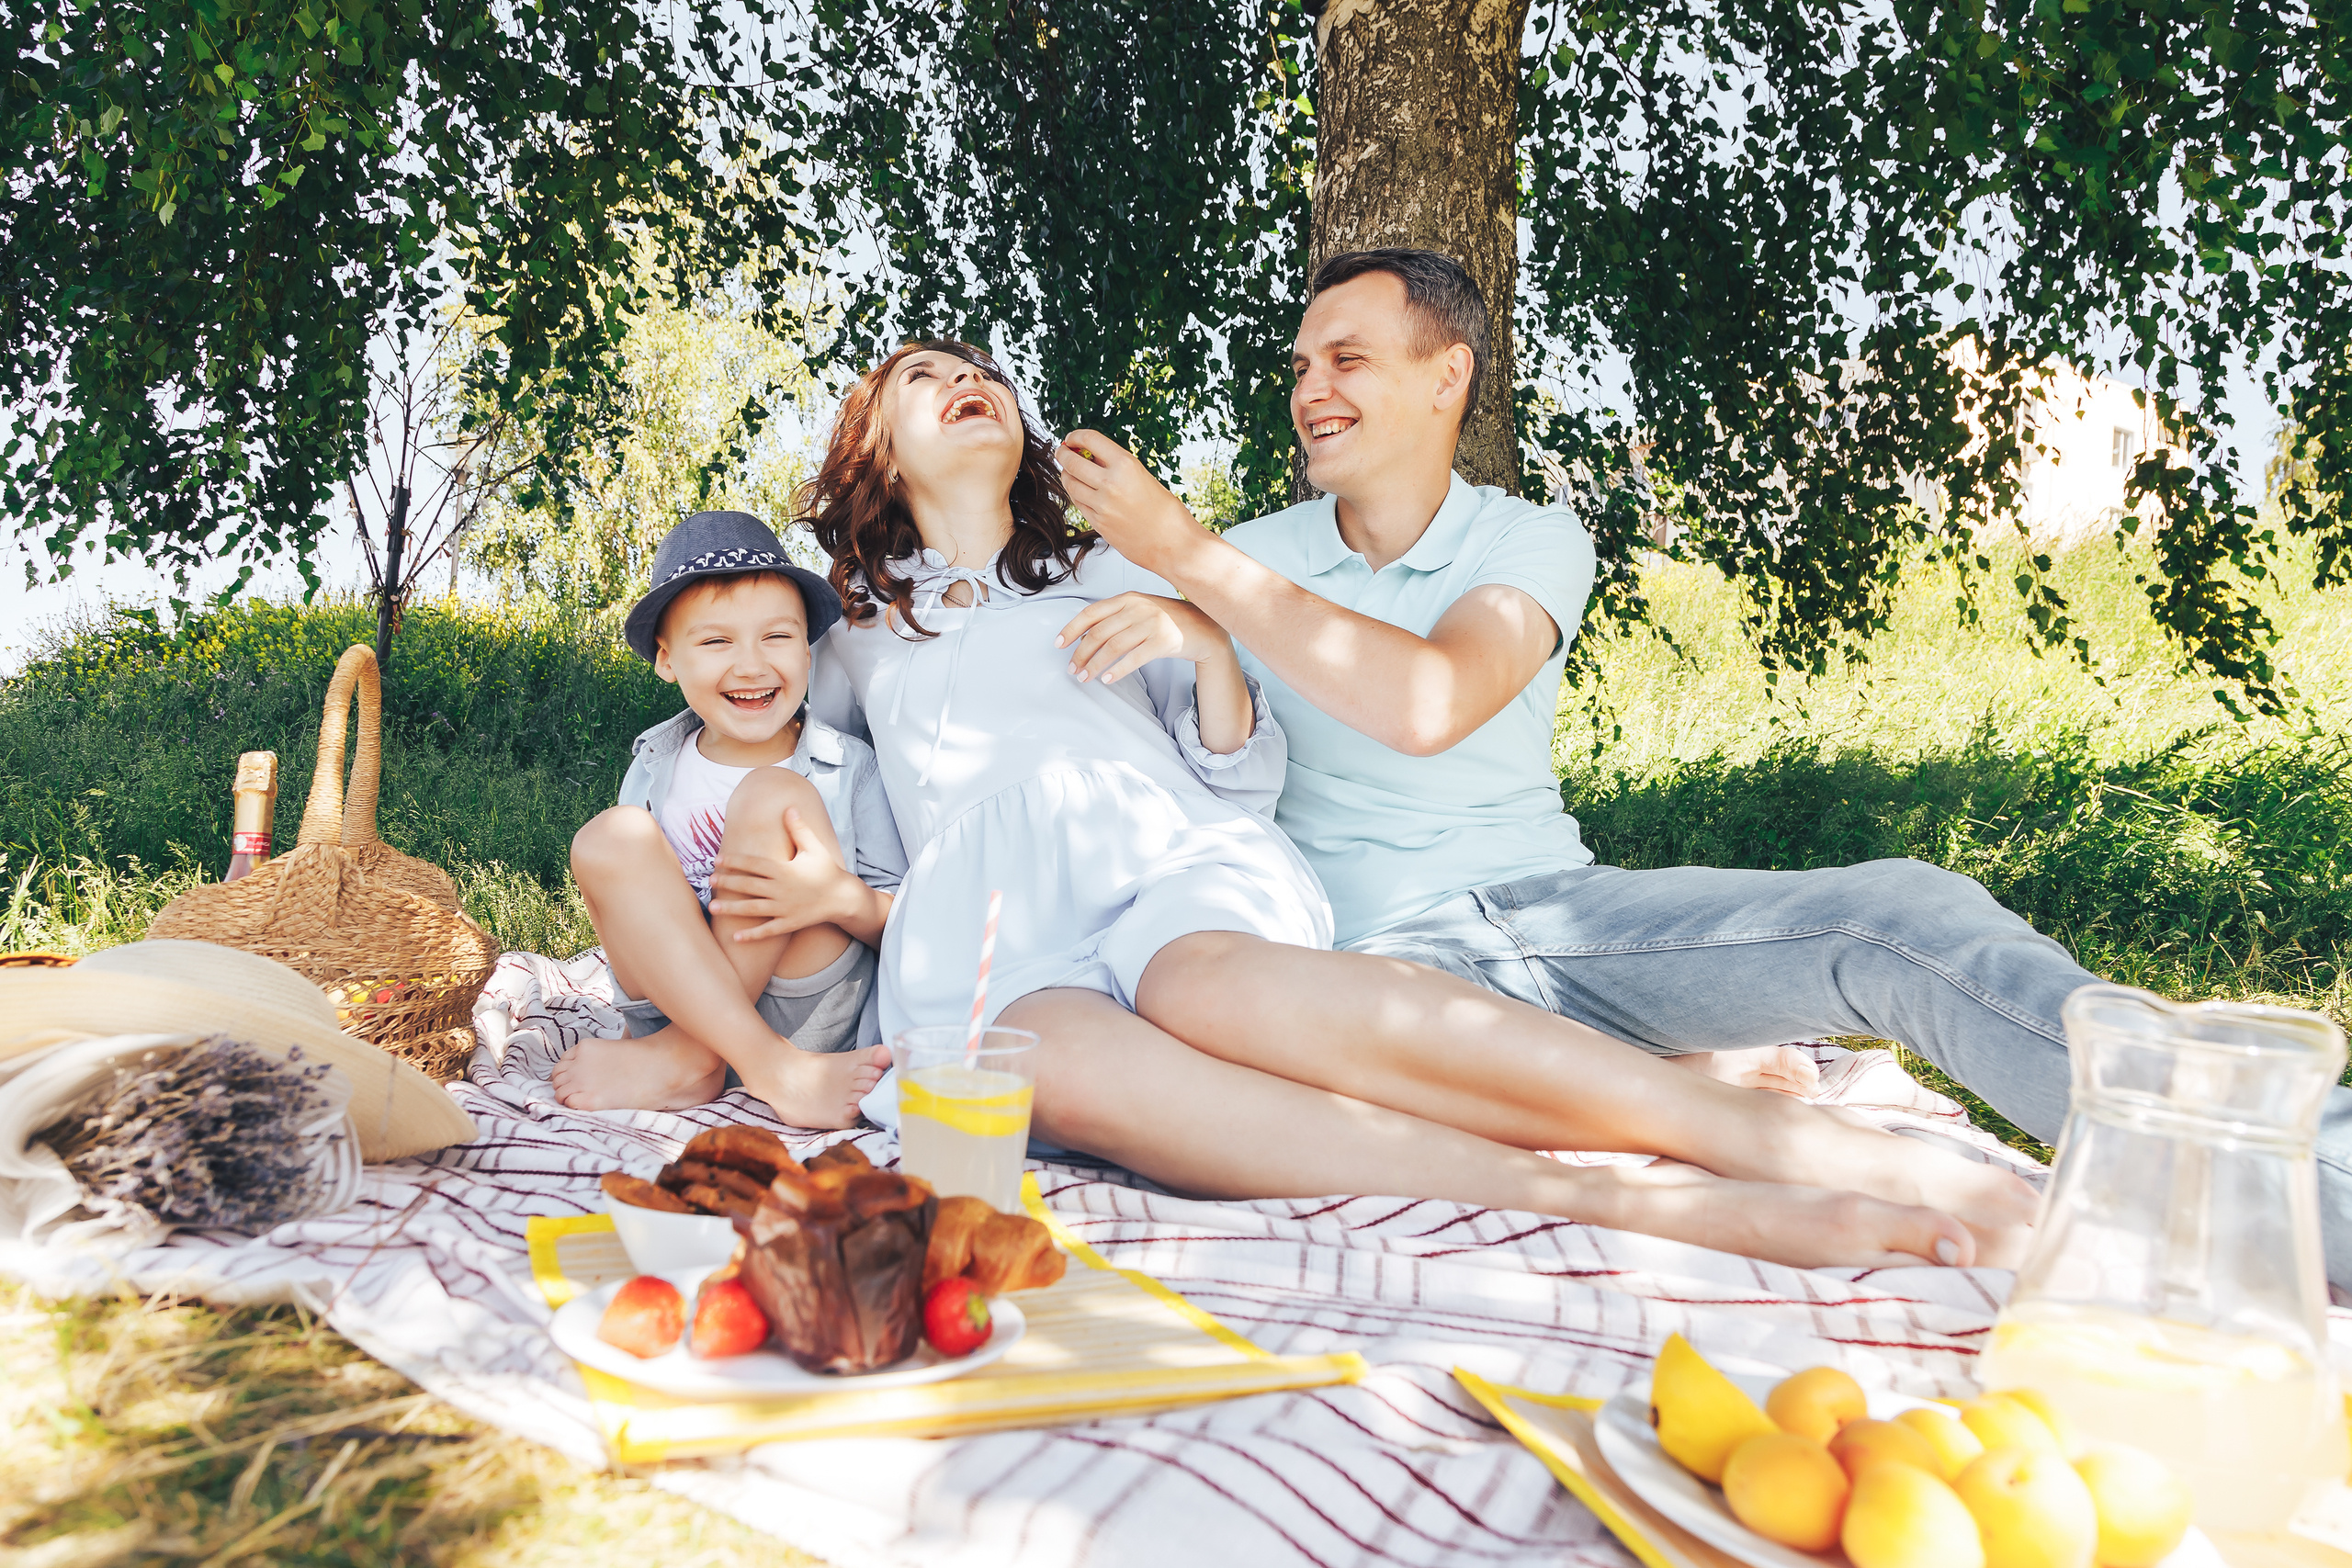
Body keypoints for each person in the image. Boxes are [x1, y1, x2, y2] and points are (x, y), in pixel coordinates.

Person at [1056, 246, 2352, 1287]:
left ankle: (2287, 1177)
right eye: (1300, 364)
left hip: (1560, 921)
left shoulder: (1525, 538)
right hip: (1375, 975)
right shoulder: (1240, 552)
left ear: (1448, 375)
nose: (1310, 388)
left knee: (1895, 912)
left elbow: (1430, 700)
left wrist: (1193, 557)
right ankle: (1682, 1083)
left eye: (1348, 357)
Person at [710, 337, 2038, 1271]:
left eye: (982, 372)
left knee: (1205, 987)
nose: (966, 382)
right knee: (1043, 1064)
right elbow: (810, 803)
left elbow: (1238, 770)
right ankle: (1642, 1207)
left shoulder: (1117, 571)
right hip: (1002, 931)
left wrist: (1206, 645)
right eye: (921, 378)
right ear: (873, 446)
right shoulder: (847, 639)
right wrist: (834, 915)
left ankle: (1753, 1136)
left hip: (1167, 863)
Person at [551, 511, 903, 1127]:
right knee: (609, 836)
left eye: (777, 636)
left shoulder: (850, 766)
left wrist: (839, 896)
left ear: (808, 648)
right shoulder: (654, 766)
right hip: (675, 1012)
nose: (750, 665)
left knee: (772, 794)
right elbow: (638, 909)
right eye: (716, 642)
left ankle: (698, 1059)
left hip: (801, 1011)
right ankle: (727, 1058)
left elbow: (907, 923)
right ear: (667, 660)